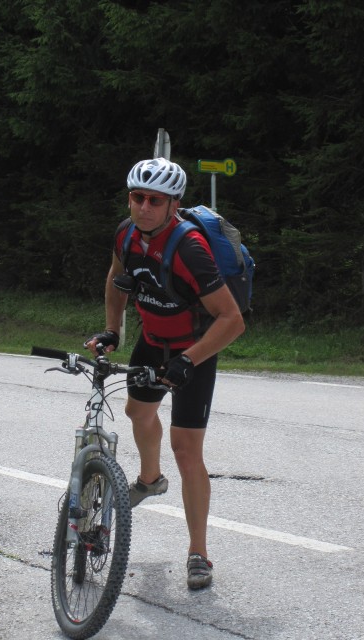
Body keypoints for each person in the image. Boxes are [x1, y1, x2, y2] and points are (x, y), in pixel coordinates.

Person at [85, 157, 245, 589]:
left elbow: (232, 319)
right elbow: (116, 279)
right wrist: (113, 330)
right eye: (138, 197)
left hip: (195, 349)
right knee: (137, 412)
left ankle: (199, 553)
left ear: (173, 205)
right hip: (153, 340)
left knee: (186, 451)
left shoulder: (189, 248)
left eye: (155, 200)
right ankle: (151, 480)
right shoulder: (126, 234)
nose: (144, 207)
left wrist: (189, 360)